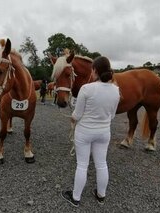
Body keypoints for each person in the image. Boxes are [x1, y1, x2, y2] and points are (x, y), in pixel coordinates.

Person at [61, 56, 120, 207]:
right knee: (101, 164)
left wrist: (72, 118)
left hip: (85, 132)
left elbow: (77, 115)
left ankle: (76, 198)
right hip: (104, 132)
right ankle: (101, 195)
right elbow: (112, 115)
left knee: (82, 164)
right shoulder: (116, 90)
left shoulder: (86, 89)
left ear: (94, 70)